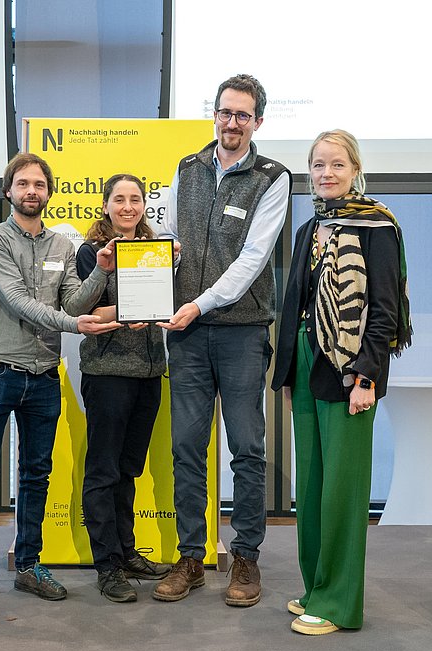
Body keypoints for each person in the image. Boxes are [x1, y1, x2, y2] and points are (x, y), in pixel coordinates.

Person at [0, 152, 120, 609]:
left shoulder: (63, 247)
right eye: (22, 184)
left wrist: (101, 267)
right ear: (9, 192)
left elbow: (75, 303)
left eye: (39, 185)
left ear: (48, 192)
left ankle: (29, 564)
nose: (31, 192)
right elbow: (20, 302)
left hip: (44, 376)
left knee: (36, 475)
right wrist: (73, 326)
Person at [153, 74, 290, 607]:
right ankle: (191, 555)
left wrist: (198, 302)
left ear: (257, 121)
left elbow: (253, 259)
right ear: (214, 113)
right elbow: (169, 238)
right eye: (225, 112)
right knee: (186, 446)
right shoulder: (187, 169)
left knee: (246, 449)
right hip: (185, 333)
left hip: (239, 330)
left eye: (243, 115)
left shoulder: (272, 178)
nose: (232, 122)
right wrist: (163, 261)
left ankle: (246, 558)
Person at [270, 129, 412, 635]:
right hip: (309, 364)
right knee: (310, 487)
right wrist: (288, 372)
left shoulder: (377, 226)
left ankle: (337, 603)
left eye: (336, 165)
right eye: (317, 166)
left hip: (351, 367)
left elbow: (385, 312)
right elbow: (297, 303)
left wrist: (367, 377)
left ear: (355, 170)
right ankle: (315, 586)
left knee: (343, 493)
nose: (326, 174)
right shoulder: (312, 226)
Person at [75, 174, 174, 603]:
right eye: (120, 199)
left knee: (129, 470)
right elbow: (80, 308)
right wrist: (121, 293)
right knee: (103, 471)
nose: (128, 206)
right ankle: (107, 566)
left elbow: (166, 302)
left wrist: (171, 277)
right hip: (108, 372)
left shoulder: (154, 252)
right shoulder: (91, 253)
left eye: (135, 199)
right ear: (106, 204)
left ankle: (128, 551)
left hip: (149, 374)